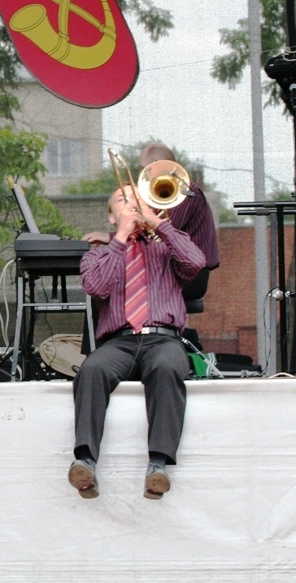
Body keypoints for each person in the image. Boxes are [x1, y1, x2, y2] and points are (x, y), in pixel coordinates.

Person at [69, 185, 205, 501]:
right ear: (110, 216)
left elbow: (196, 262)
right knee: (92, 369)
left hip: (162, 338)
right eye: (123, 200)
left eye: (138, 199)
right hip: (119, 342)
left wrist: (156, 222)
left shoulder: (166, 249)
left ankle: (158, 465)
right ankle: (85, 461)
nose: (131, 204)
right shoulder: (97, 255)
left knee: (166, 367)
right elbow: (96, 286)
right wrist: (120, 238)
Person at [82, 143, 219, 301]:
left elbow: (161, 234)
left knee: (117, 287)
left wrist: (111, 237)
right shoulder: (154, 192)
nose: (142, 175)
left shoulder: (183, 191)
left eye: (143, 169)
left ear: (157, 165)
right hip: (168, 267)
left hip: (190, 275)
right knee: (108, 285)